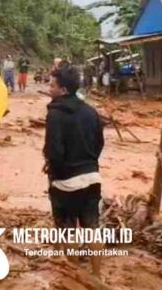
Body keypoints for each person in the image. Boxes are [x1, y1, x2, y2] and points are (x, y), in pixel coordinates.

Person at [43, 66, 104, 278]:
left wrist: (55, 171)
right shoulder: (91, 111)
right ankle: (97, 276)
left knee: (68, 230)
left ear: (63, 89)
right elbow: (99, 144)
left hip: (65, 181)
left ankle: (75, 275)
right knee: (92, 228)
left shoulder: (55, 114)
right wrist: (88, 163)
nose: (48, 88)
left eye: (52, 84)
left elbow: (54, 151)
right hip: (92, 177)